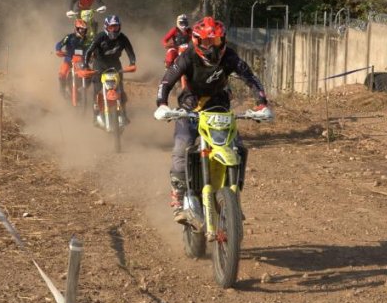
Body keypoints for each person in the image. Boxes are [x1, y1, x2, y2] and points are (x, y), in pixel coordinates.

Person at [153, 16, 272, 223]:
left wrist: (262, 102)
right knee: (182, 147)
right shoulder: (187, 57)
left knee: (238, 148)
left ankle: (233, 200)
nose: (213, 47)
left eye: (216, 41)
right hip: (190, 109)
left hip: (220, 108)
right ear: (197, 41)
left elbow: (250, 77)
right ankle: (179, 198)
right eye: (208, 42)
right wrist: (162, 104)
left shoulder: (229, 57)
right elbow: (166, 81)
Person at [82, 14, 136, 127]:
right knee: (97, 91)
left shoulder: (123, 38)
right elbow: (88, 51)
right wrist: (85, 65)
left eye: (116, 27)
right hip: (99, 66)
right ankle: (95, 116)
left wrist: (132, 63)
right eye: (111, 27)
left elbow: (130, 52)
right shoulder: (100, 37)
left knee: (120, 90)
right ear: (106, 27)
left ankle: (124, 114)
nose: (114, 29)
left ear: (119, 27)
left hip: (115, 66)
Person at [55, 19, 90, 97]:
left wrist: (93, 55)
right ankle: (62, 90)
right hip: (69, 60)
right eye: (80, 29)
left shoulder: (87, 40)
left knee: (90, 74)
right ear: (76, 28)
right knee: (62, 73)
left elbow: (91, 48)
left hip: (81, 62)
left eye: (84, 30)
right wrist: (58, 50)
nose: (82, 31)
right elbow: (60, 44)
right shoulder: (69, 37)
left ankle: (83, 89)